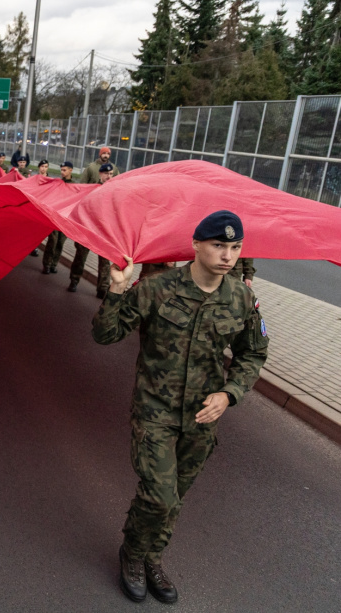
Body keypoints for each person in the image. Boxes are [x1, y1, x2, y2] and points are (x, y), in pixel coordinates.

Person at [92, 210, 268, 605]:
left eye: (235, 247)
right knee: (160, 495)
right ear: (196, 244)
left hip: (202, 418)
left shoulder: (242, 298)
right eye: (218, 245)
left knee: (177, 495)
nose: (227, 255)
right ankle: (133, 555)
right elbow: (105, 334)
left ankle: (154, 557)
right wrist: (117, 289)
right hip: (155, 410)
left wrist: (230, 393)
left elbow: (253, 353)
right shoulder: (157, 288)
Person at [67, 162, 117, 296]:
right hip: (89, 227)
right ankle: (74, 280)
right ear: (100, 174)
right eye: (106, 173)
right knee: (80, 256)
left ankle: (102, 288)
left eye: (111, 174)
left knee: (105, 260)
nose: (109, 176)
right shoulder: (92, 188)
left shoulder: (114, 191)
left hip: (105, 230)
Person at [41, 161, 74, 274]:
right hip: (55, 217)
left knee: (60, 242)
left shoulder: (74, 186)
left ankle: (54, 264)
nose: (62, 172)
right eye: (61, 170)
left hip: (66, 219)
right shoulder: (58, 183)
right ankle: (47, 264)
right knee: (52, 241)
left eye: (65, 170)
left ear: (71, 170)